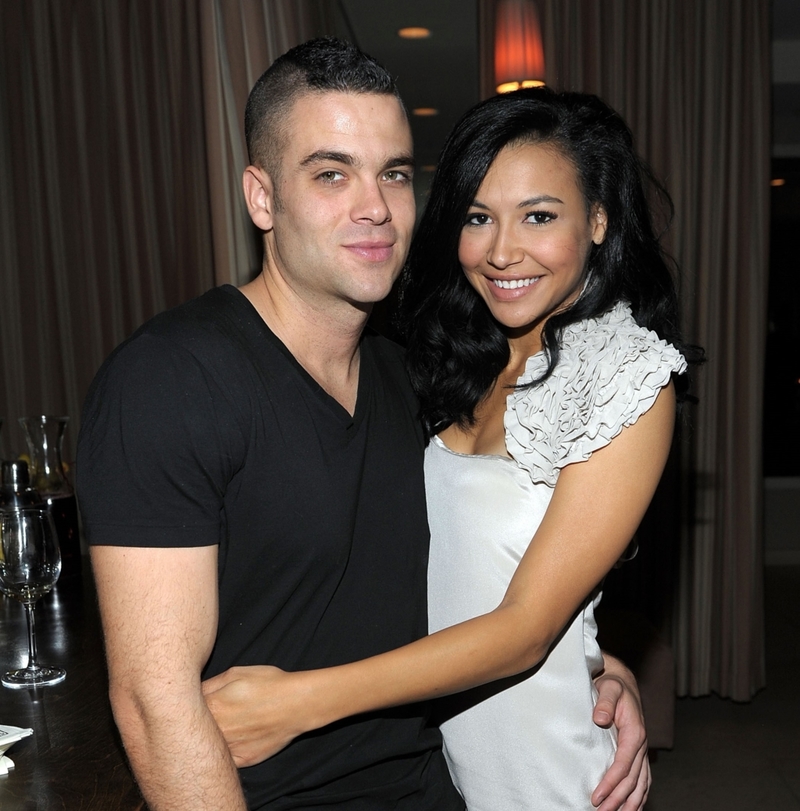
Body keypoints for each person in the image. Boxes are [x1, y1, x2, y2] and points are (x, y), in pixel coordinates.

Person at [77, 39, 649, 811]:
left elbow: (464, 571)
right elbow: (154, 702)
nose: (374, 205)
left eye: (395, 174)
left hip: (432, 785)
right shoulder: (170, 378)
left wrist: (594, 662)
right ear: (261, 197)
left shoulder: (411, 373)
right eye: (331, 173)